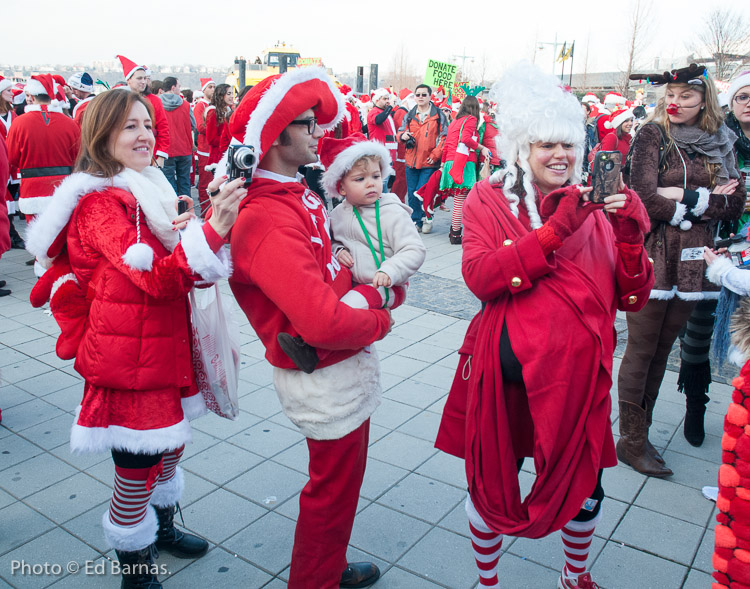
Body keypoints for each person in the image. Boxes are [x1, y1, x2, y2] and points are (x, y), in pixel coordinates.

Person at [434, 63, 654, 589]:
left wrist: (628, 235)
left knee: (585, 488)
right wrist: (554, 232)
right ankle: (487, 580)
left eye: (569, 146)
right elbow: (481, 278)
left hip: (577, 381)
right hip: (505, 376)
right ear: (520, 149)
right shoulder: (488, 199)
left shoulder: (597, 203)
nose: (561, 156)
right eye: (545, 146)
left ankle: (574, 574)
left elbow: (632, 297)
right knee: (494, 482)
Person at [25, 88, 245, 589]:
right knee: (137, 464)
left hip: (161, 343)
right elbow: (156, 278)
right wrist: (211, 231)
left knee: (169, 449)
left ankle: (162, 527)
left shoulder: (149, 185)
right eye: (129, 126)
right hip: (129, 356)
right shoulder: (101, 202)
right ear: (101, 136)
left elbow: (168, 260)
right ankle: (135, 565)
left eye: (147, 124)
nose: (144, 134)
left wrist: (193, 229)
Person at [217, 67, 390, 589]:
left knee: (340, 485)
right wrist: (380, 314)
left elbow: (332, 271)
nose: (320, 131)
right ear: (275, 135)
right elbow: (319, 319)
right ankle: (314, 581)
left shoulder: (293, 194)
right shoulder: (268, 215)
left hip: (336, 364)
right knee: (331, 489)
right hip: (321, 369)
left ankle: (328, 567)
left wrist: (356, 284)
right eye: (308, 122)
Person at [618, 63, 745, 474]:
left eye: (685, 96)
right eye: (669, 95)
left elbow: (736, 202)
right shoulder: (653, 134)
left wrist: (686, 196)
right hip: (653, 255)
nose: (674, 102)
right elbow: (641, 195)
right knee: (641, 348)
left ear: (704, 99)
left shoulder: (720, 140)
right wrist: (703, 201)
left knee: (663, 350)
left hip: (694, 262)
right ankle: (631, 441)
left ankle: (643, 432)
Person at [277, 134, 423, 372]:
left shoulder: (392, 212)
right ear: (341, 187)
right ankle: (322, 343)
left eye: (376, 176)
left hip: (387, 285)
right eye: (360, 179)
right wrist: (339, 249)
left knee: (347, 308)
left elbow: (414, 249)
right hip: (355, 281)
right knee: (329, 304)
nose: (371, 183)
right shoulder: (337, 215)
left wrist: (391, 270)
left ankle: (312, 351)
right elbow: (330, 241)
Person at [6, 74, 80, 274]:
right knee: (65, 239)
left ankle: (45, 281)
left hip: (32, 191)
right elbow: (79, 157)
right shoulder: (69, 123)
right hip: (64, 188)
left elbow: (11, 158)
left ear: (30, 96)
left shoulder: (20, 123)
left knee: (41, 244)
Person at [438, 96, 491, 244]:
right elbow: (465, 139)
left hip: (451, 161)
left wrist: (443, 164)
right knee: (461, 200)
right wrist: (482, 148)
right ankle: (456, 234)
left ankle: (457, 232)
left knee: (461, 199)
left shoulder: (455, 121)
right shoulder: (471, 120)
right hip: (464, 162)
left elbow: (447, 143)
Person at [398, 83, 448, 233]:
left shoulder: (439, 115)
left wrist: (436, 154)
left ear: (430, 96)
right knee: (412, 193)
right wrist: (403, 136)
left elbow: (445, 137)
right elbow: (400, 132)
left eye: (423, 94)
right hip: (411, 161)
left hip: (429, 162)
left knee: (423, 193)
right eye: (417, 94)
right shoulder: (409, 115)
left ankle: (428, 219)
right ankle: (416, 220)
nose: (420, 97)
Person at [117, 55, 170, 166]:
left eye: (145, 78)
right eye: (139, 78)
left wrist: (161, 156)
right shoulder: (120, 100)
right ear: (129, 80)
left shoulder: (155, 100)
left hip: (150, 154)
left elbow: (163, 128)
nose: (143, 82)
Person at [160, 76, 193, 198]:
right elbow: (193, 124)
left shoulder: (157, 104)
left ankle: (173, 210)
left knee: (168, 183)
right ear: (173, 87)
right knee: (184, 182)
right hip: (184, 148)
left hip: (166, 149)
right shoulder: (185, 105)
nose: (180, 89)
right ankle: (186, 209)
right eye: (179, 86)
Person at [366, 88, 397, 189]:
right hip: (380, 153)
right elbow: (378, 120)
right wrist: (390, 107)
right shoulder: (374, 112)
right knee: (382, 185)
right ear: (377, 100)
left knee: (385, 184)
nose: (388, 101)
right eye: (385, 98)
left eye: (388, 99)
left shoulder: (385, 113)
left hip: (389, 153)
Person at [194, 78, 215, 210]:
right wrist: (217, 127)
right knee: (205, 183)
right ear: (204, 90)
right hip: (205, 149)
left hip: (214, 149)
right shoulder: (200, 106)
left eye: (214, 87)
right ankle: (204, 211)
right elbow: (200, 127)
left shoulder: (213, 105)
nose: (213, 89)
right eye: (210, 87)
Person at [205, 84, 233, 177]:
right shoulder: (213, 112)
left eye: (232, 93)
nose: (232, 96)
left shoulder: (228, 110)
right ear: (221, 95)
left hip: (227, 153)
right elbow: (211, 139)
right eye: (229, 93)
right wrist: (227, 141)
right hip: (218, 156)